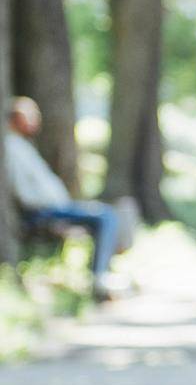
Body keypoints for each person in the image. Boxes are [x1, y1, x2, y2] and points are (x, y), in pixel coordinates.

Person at [5, 97, 123, 301]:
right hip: (44, 211)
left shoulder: (23, 146)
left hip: (55, 207)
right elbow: (24, 193)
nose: (36, 121)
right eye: (30, 116)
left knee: (113, 212)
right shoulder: (12, 148)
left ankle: (103, 272)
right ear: (16, 119)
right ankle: (99, 278)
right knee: (106, 216)